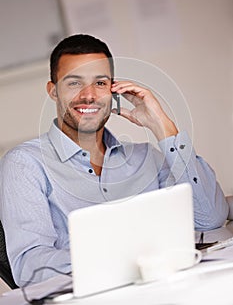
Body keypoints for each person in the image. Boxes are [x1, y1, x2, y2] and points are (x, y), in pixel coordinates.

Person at [0, 34, 229, 287]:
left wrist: (162, 126)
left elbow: (211, 218)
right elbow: (30, 269)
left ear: (113, 90)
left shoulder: (145, 157)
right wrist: (130, 257)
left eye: (100, 83)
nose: (88, 95)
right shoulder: (25, 164)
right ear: (53, 91)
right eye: (74, 83)